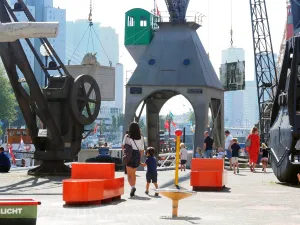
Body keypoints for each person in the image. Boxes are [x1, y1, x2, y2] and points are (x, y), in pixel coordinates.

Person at [122, 124, 144, 197]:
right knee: (133, 173)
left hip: (129, 155)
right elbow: (141, 150)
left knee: (129, 174)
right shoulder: (141, 137)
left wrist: (125, 154)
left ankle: (132, 187)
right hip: (137, 155)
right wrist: (139, 159)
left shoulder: (127, 136)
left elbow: (123, 146)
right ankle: (133, 186)